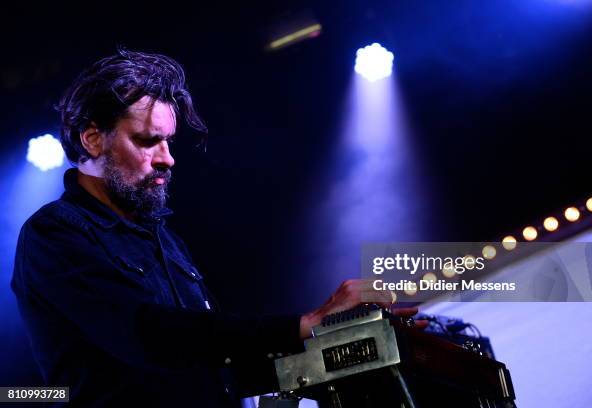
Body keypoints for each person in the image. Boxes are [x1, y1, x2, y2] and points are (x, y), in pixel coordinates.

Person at [11, 49, 419, 407]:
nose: (167, 159)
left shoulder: (164, 239)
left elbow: (223, 371)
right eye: (149, 140)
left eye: (169, 142)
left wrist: (359, 346)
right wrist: (303, 324)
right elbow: (149, 336)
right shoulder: (54, 235)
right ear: (93, 140)